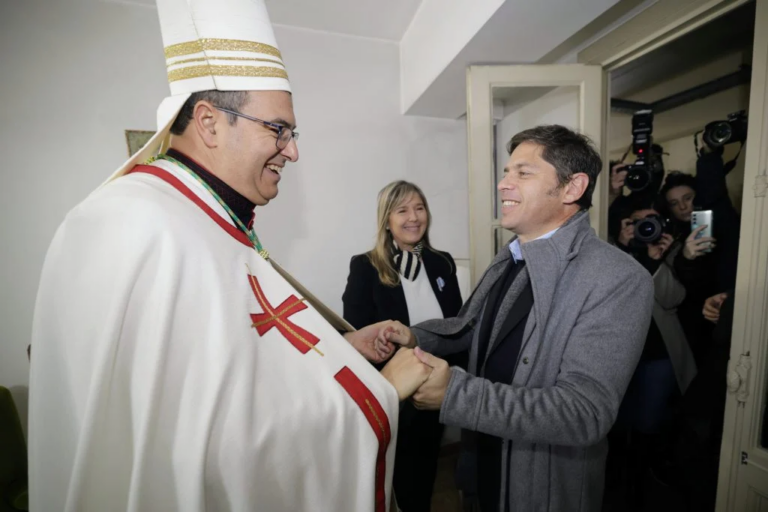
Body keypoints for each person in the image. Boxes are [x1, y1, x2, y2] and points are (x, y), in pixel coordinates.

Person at [27, 1, 430, 511]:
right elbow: (200, 458)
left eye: (292, 132)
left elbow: (240, 378)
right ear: (210, 122)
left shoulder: (210, 220)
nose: (293, 150)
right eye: (278, 129)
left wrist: (346, 348)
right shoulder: (136, 227)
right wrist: (380, 393)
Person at [379, 125, 654, 512]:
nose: (503, 185)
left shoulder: (619, 278)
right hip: (485, 459)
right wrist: (413, 337)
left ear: (572, 188)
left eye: (523, 173)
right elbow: (470, 328)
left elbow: (585, 413)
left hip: (540, 486)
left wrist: (453, 394)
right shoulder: (511, 255)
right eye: (507, 173)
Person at [343, 180, 464, 512]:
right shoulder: (366, 267)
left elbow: (456, 326)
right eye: (402, 210)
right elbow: (355, 334)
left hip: (437, 390)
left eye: (420, 207)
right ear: (387, 220)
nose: (414, 217)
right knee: (395, 481)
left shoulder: (441, 263)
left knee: (424, 475)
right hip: (395, 395)